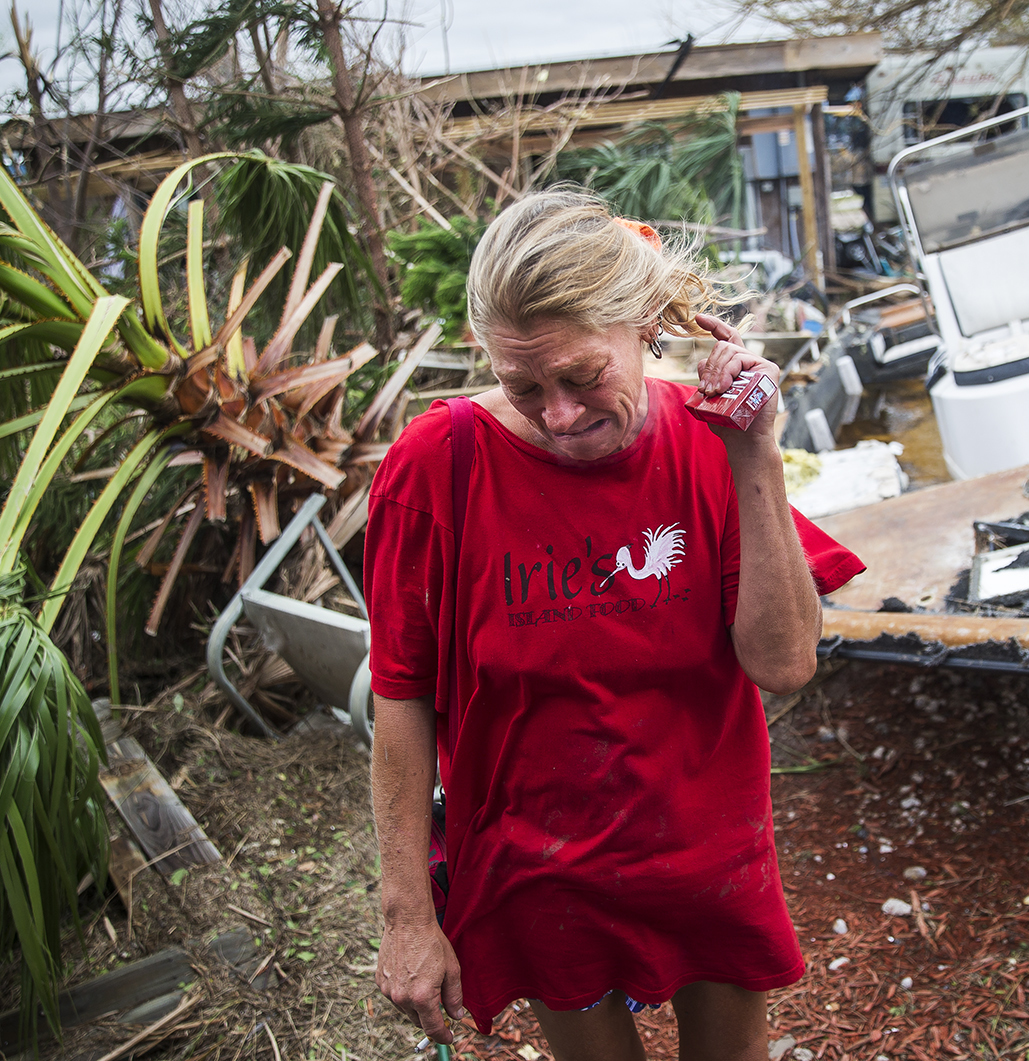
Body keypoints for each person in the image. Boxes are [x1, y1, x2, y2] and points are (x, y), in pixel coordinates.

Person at [364, 188, 863, 1061]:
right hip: (537, 858)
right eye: (525, 387)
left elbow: (783, 661)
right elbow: (402, 692)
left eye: (582, 377)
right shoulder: (436, 468)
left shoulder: (712, 442)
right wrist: (407, 912)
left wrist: (755, 449)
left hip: (705, 843)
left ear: (644, 324)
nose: (558, 415)